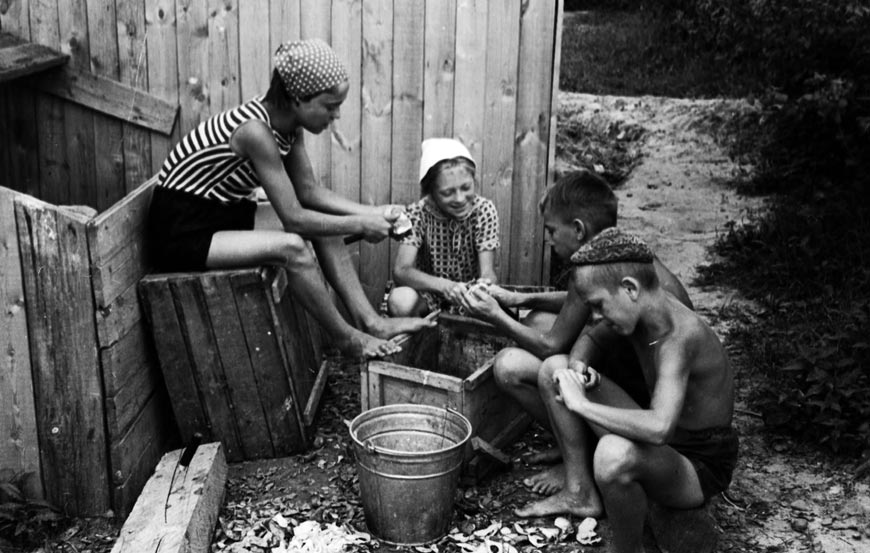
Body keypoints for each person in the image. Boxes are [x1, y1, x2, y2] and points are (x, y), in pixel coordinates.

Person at [147, 39, 432, 359]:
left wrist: (373, 212)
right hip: (182, 230)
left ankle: (372, 322)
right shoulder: (256, 131)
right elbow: (294, 218)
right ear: (297, 98)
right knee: (294, 247)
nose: (336, 115)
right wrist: (363, 224)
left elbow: (309, 192)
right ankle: (347, 339)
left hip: (222, 212)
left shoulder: (288, 127)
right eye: (330, 105)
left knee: (327, 228)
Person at [458, 170, 692, 493]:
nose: (549, 240)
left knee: (525, 365)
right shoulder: (613, 254)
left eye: (552, 231)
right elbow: (579, 302)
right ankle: (575, 445)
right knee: (539, 319)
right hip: (643, 384)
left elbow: (551, 345)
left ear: (579, 230)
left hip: (657, 410)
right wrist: (522, 298)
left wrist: (496, 315)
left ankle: (580, 469)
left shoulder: (599, 268)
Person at [518, 229, 738, 553]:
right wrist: (579, 366)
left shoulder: (679, 336)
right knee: (556, 369)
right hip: (666, 441)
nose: (593, 316)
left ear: (630, 289)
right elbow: (592, 337)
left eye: (598, 305)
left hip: (696, 465)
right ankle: (582, 492)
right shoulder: (637, 310)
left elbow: (660, 428)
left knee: (612, 455)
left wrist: (582, 404)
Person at [387, 138, 500, 316]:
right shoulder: (418, 213)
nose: (460, 198)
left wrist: (482, 286)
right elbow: (401, 270)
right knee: (400, 299)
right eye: (447, 193)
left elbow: (487, 272)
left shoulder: (483, 210)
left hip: (468, 296)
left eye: (466, 187)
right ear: (430, 191)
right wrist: (445, 286)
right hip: (429, 294)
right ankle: (418, 339)